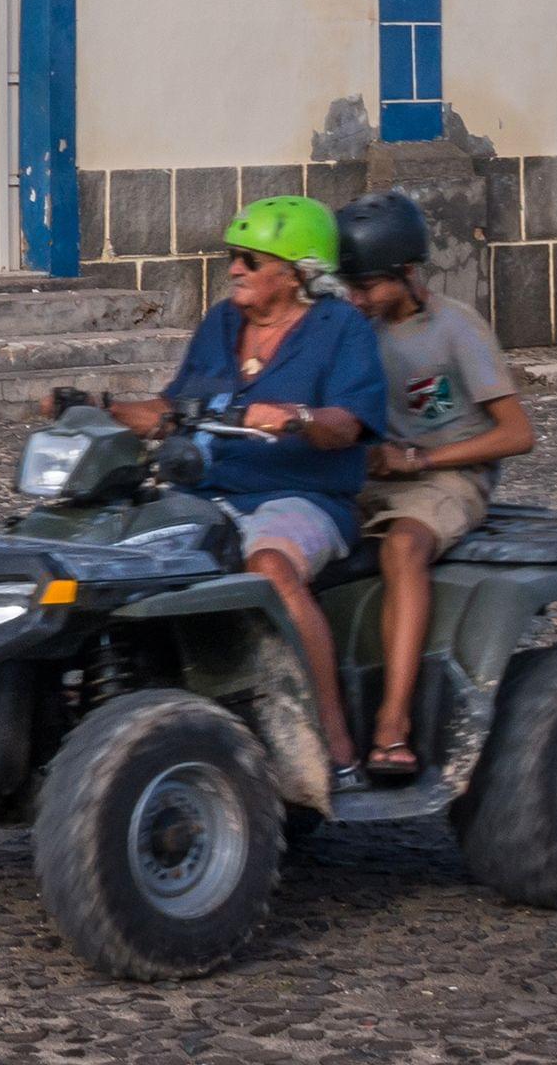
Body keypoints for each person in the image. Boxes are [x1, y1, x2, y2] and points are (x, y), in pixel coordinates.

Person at [94, 196, 389, 783]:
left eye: (249, 260)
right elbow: (174, 408)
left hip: (301, 497)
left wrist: (298, 419)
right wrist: (100, 408)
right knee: (109, 551)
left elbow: (349, 424)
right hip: (207, 491)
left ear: (297, 271)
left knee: (271, 566)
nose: (234, 270)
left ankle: (335, 742)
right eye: (233, 258)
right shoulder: (223, 323)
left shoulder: (340, 329)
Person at [337, 186, 535, 784]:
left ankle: (393, 723)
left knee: (402, 548)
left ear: (407, 274)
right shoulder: (356, 327)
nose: (357, 298)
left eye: (368, 286)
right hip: (378, 474)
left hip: (449, 477)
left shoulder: (457, 330)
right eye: (349, 286)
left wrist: (422, 460)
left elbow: (517, 433)